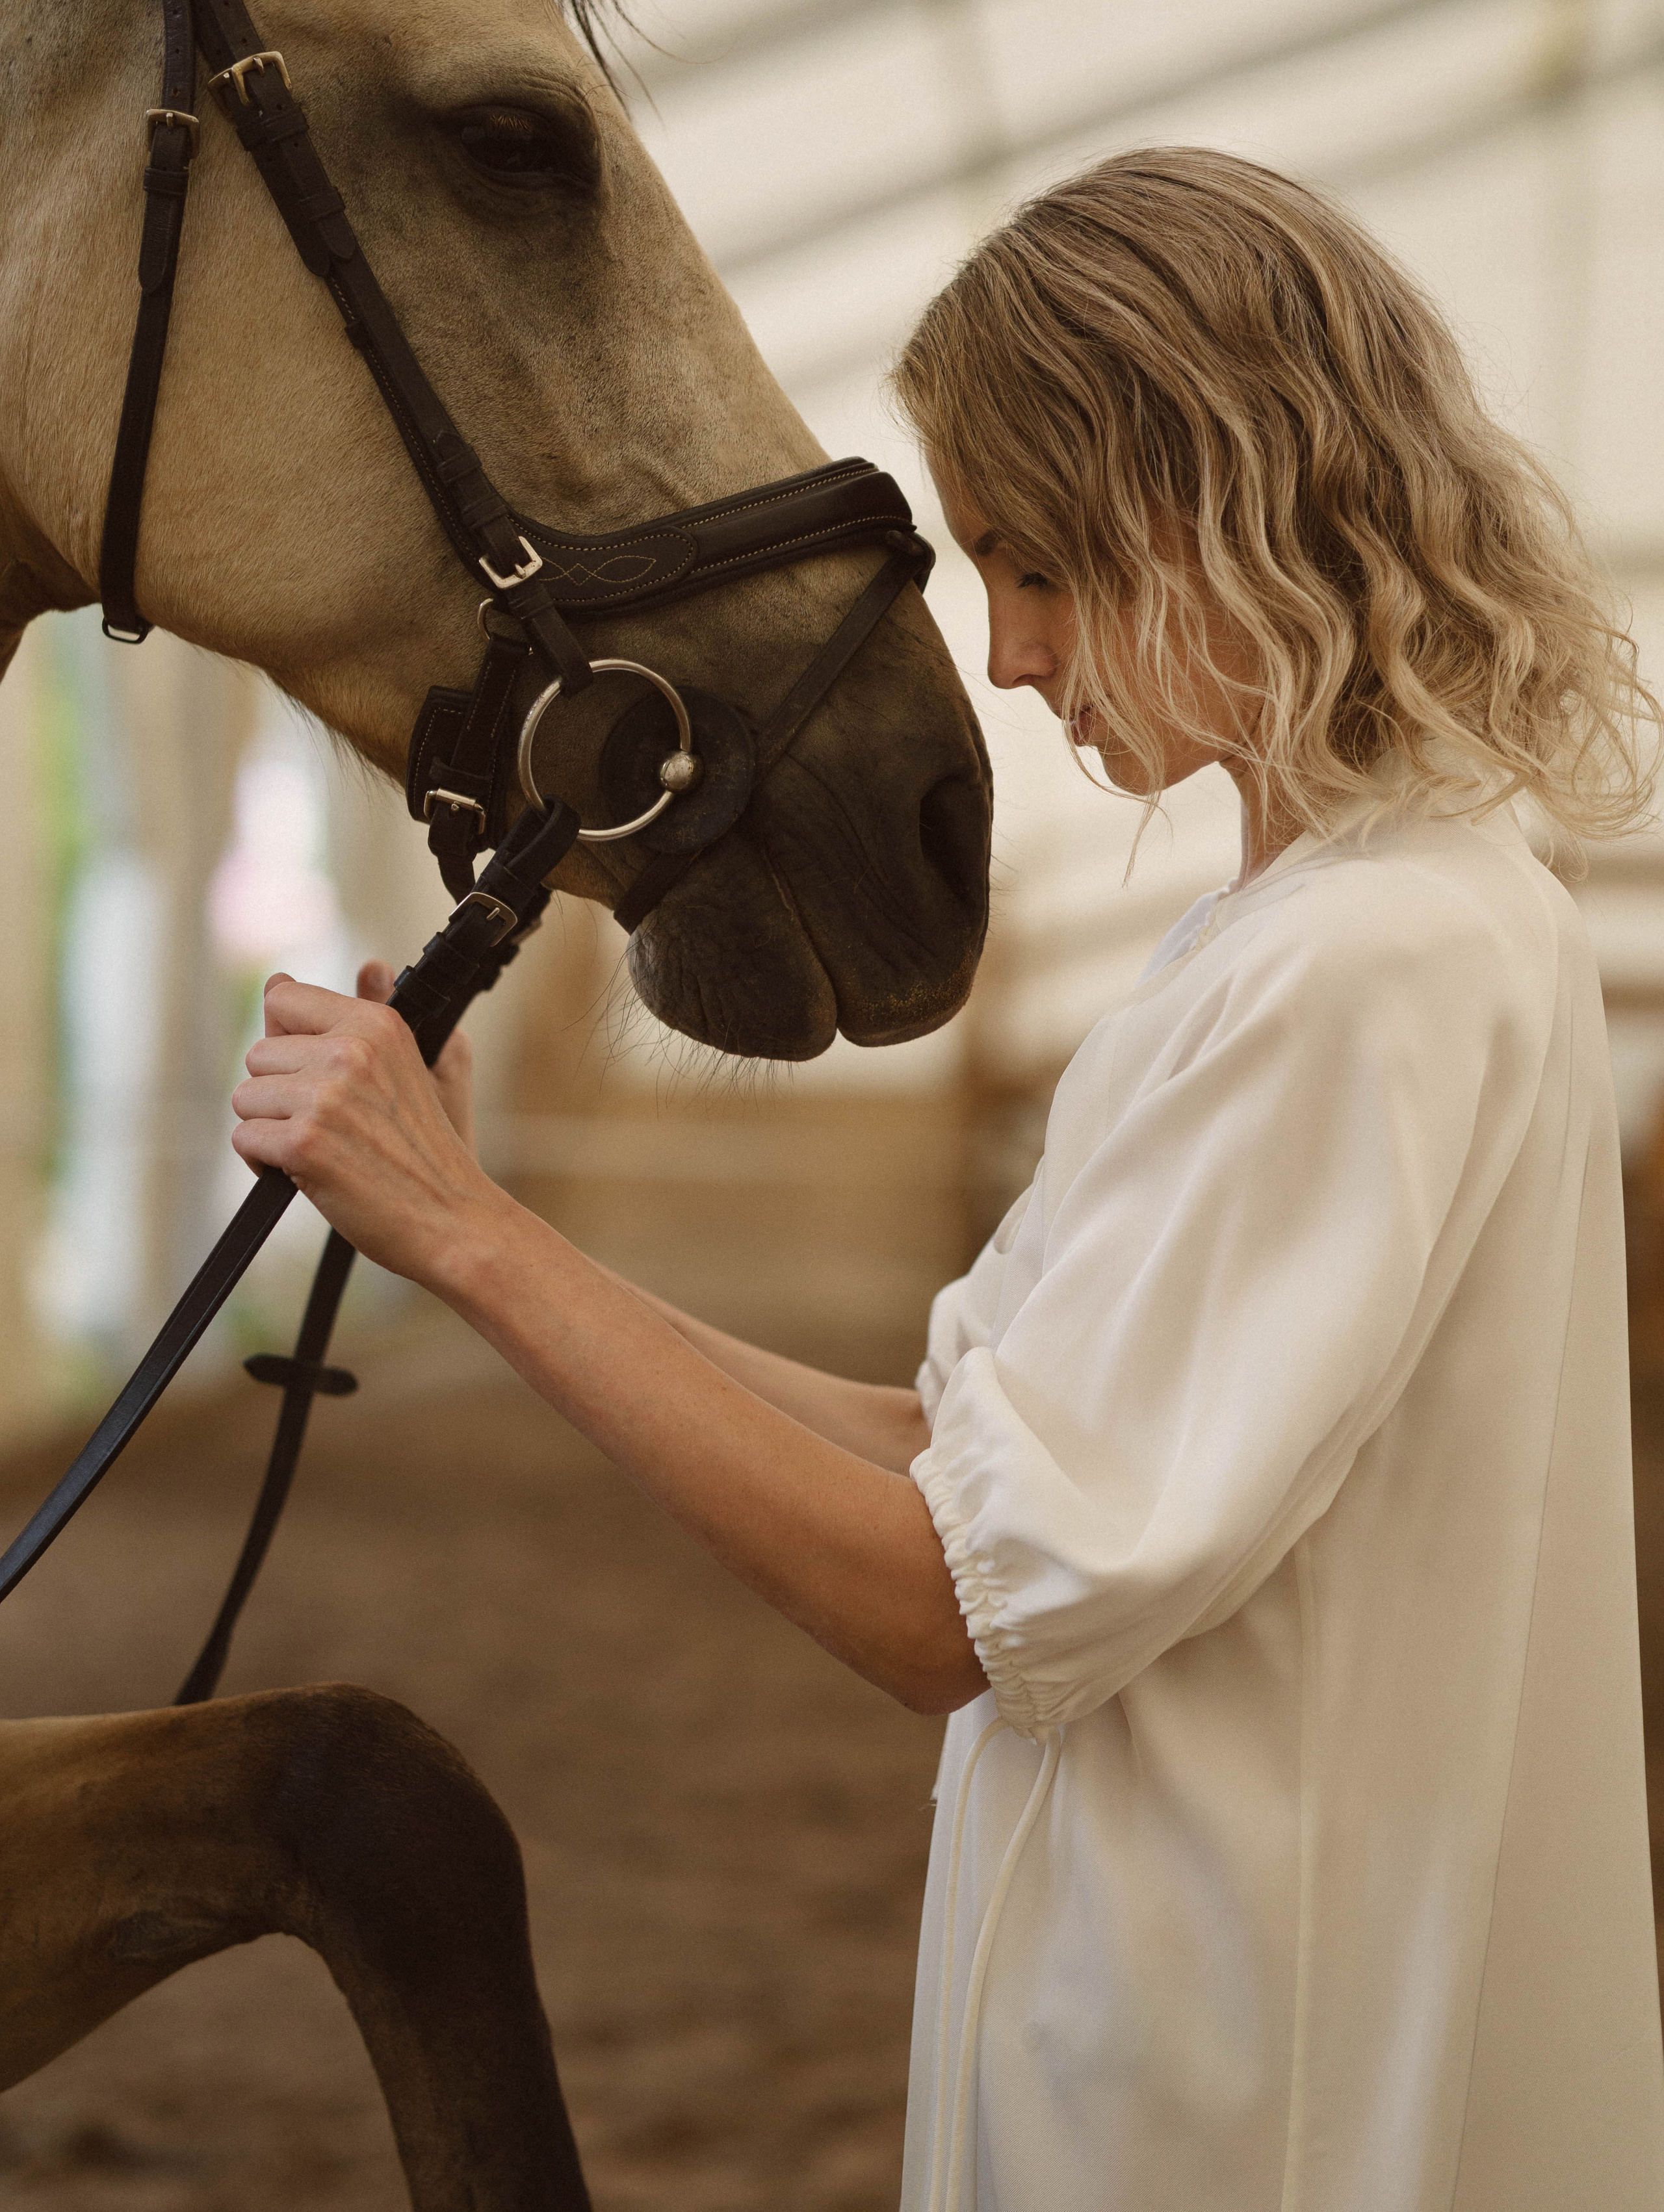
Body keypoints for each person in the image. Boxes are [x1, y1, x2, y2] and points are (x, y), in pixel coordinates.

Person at [231, 148, 1664, 2211]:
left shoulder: (1371, 967)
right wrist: (478, 1232)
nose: (1004, 655)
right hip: (1179, 2046)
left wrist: (458, 1233)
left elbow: (941, 1608)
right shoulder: (1344, 922)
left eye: (1038, 564)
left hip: (1219, 2106)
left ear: (1204, 495)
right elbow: (948, 1452)